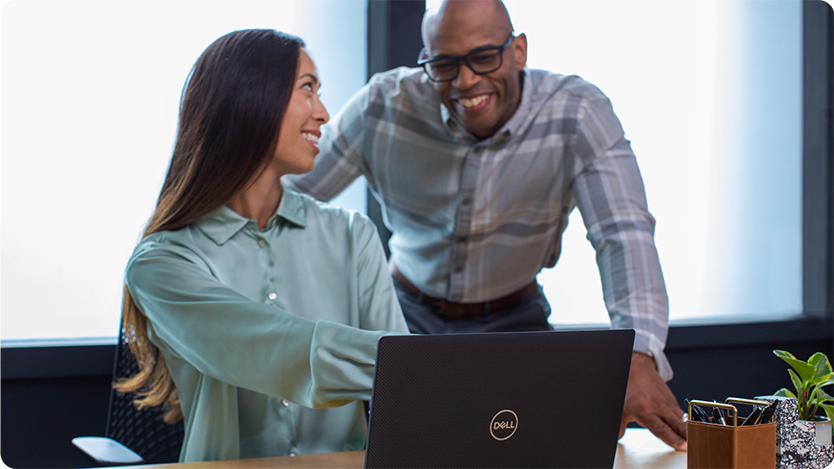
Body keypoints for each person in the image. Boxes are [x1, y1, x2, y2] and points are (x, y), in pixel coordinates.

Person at [286, 0, 687, 451]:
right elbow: (290, 194)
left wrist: (637, 356)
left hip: (514, 322)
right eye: (444, 65)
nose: (465, 82)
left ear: (518, 51)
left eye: (483, 58)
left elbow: (623, 233)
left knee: (533, 454)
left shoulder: (578, 113)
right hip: (401, 318)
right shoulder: (384, 105)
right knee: (396, 455)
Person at [115, 29, 408, 463]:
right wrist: (423, 366)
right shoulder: (160, 263)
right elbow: (267, 348)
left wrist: (419, 369)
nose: (324, 113)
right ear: (252, 98)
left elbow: (405, 393)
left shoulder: (351, 235)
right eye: (307, 88)